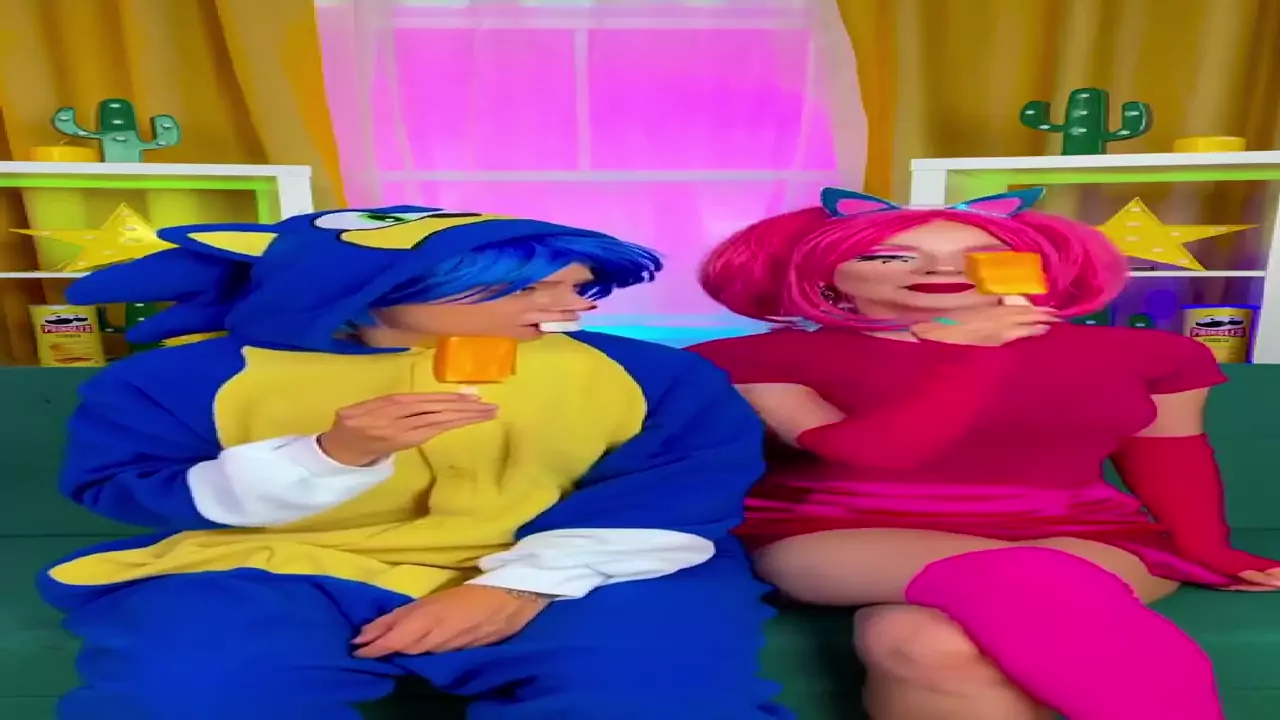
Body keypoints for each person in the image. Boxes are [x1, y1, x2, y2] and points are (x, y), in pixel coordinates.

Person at [39, 206, 789, 720]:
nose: (575, 304)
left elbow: (682, 484)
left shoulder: (648, 374)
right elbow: (124, 485)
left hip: (584, 568)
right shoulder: (180, 381)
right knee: (193, 694)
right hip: (270, 567)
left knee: (651, 694)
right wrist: (326, 458)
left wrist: (522, 585)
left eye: (575, 283)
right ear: (372, 293)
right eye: (531, 286)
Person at [687, 187, 1280, 720]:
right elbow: (871, 453)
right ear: (826, 273)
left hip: (1088, 532)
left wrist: (1207, 547)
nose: (942, 270)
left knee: (923, 642)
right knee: (1025, 578)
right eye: (890, 257)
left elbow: (1170, 451)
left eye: (982, 253)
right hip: (842, 532)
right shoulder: (750, 359)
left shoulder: (1151, 355)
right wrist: (965, 357)